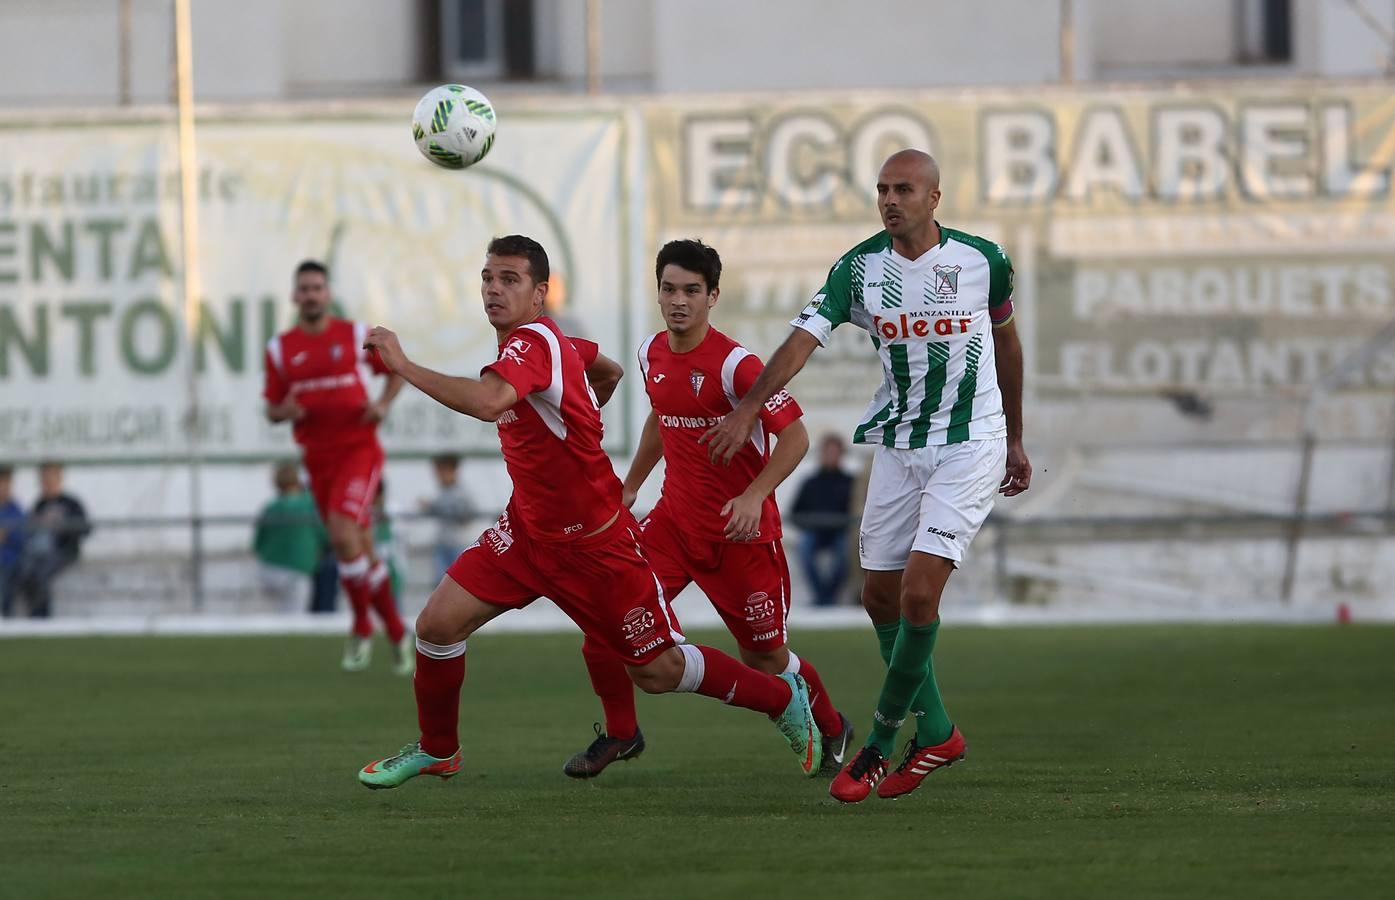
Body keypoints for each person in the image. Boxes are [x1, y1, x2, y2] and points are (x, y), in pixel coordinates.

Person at [355, 234, 822, 789]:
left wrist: (402, 364)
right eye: (488, 278)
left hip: (597, 547)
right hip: (528, 536)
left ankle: (779, 698)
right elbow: (609, 370)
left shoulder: (533, 344)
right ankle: (439, 749)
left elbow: (487, 403)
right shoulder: (556, 348)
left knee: (657, 670)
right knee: (436, 624)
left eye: (510, 280)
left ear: (539, 293)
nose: (494, 289)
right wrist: (579, 412)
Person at [702, 149, 1033, 804]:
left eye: (903, 189)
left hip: (971, 441)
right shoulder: (858, 269)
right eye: (881, 189)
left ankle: (881, 742)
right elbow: (801, 340)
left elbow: (1007, 344)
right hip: (898, 447)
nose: (889, 200)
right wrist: (747, 409)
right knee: (877, 598)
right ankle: (937, 730)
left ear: (933, 197)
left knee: (916, 595)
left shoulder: (981, 261)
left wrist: (1016, 439)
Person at [563, 239, 853, 780]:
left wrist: (753, 495)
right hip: (672, 528)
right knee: (605, 627)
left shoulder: (736, 365)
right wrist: (630, 486)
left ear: (712, 296)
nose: (679, 301)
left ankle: (833, 726)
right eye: (669, 289)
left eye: (692, 291)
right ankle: (623, 733)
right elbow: (661, 418)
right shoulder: (651, 352)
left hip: (740, 541)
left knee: (766, 659)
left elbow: (794, 437)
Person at [263, 259, 413, 675]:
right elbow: (272, 409)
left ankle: (362, 625)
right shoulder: (280, 349)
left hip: (358, 451)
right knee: (359, 543)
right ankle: (399, 634)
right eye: (304, 288)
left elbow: (397, 369)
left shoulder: (352, 336)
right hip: (317, 460)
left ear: (327, 295)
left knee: (345, 532)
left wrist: (382, 404)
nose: (311, 295)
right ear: (295, 296)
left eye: (317, 287)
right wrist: (284, 410)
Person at [12, 461, 91, 619]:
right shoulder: (39, 504)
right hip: (39, 552)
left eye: (51, 476)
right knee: (23, 569)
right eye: (44, 477)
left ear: (59, 477)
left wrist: (62, 527)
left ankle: (42, 618)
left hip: (64, 551)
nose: (47, 481)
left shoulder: (71, 503)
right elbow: (29, 531)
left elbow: (85, 529)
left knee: (41, 573)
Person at [790, 434, 856, 607]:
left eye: (835, 452)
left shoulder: (850, 482)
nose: (831, 456)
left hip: (840, 532)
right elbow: (795, 512)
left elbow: (855, 513)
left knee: (845, 552)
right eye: (828, 452)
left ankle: (828, 597)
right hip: (814, 532)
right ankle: (822, 596)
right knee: (803, 548)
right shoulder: (809, 482)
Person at [251, 461, 325, 613]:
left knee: (277, 617)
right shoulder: (310, 504)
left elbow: (257, 544)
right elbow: (326, 537)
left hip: (268, 570)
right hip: (297, 572)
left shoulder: (270, 508)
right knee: (294, 620)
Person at [418, 454, 476, 584]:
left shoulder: (463, 492)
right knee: (439, 583)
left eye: (441, 471)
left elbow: (467, 516)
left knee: (460, 583)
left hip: (458, 544)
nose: (438, 476)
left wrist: (439, 507)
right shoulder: (442, 492)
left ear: (452, 471)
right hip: (442, 544)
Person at [0, 465, 25, 618]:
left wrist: (7, 536)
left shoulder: (16, 510)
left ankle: (7, 618)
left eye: (5, 483)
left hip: (8, 562)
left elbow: (22, 539)